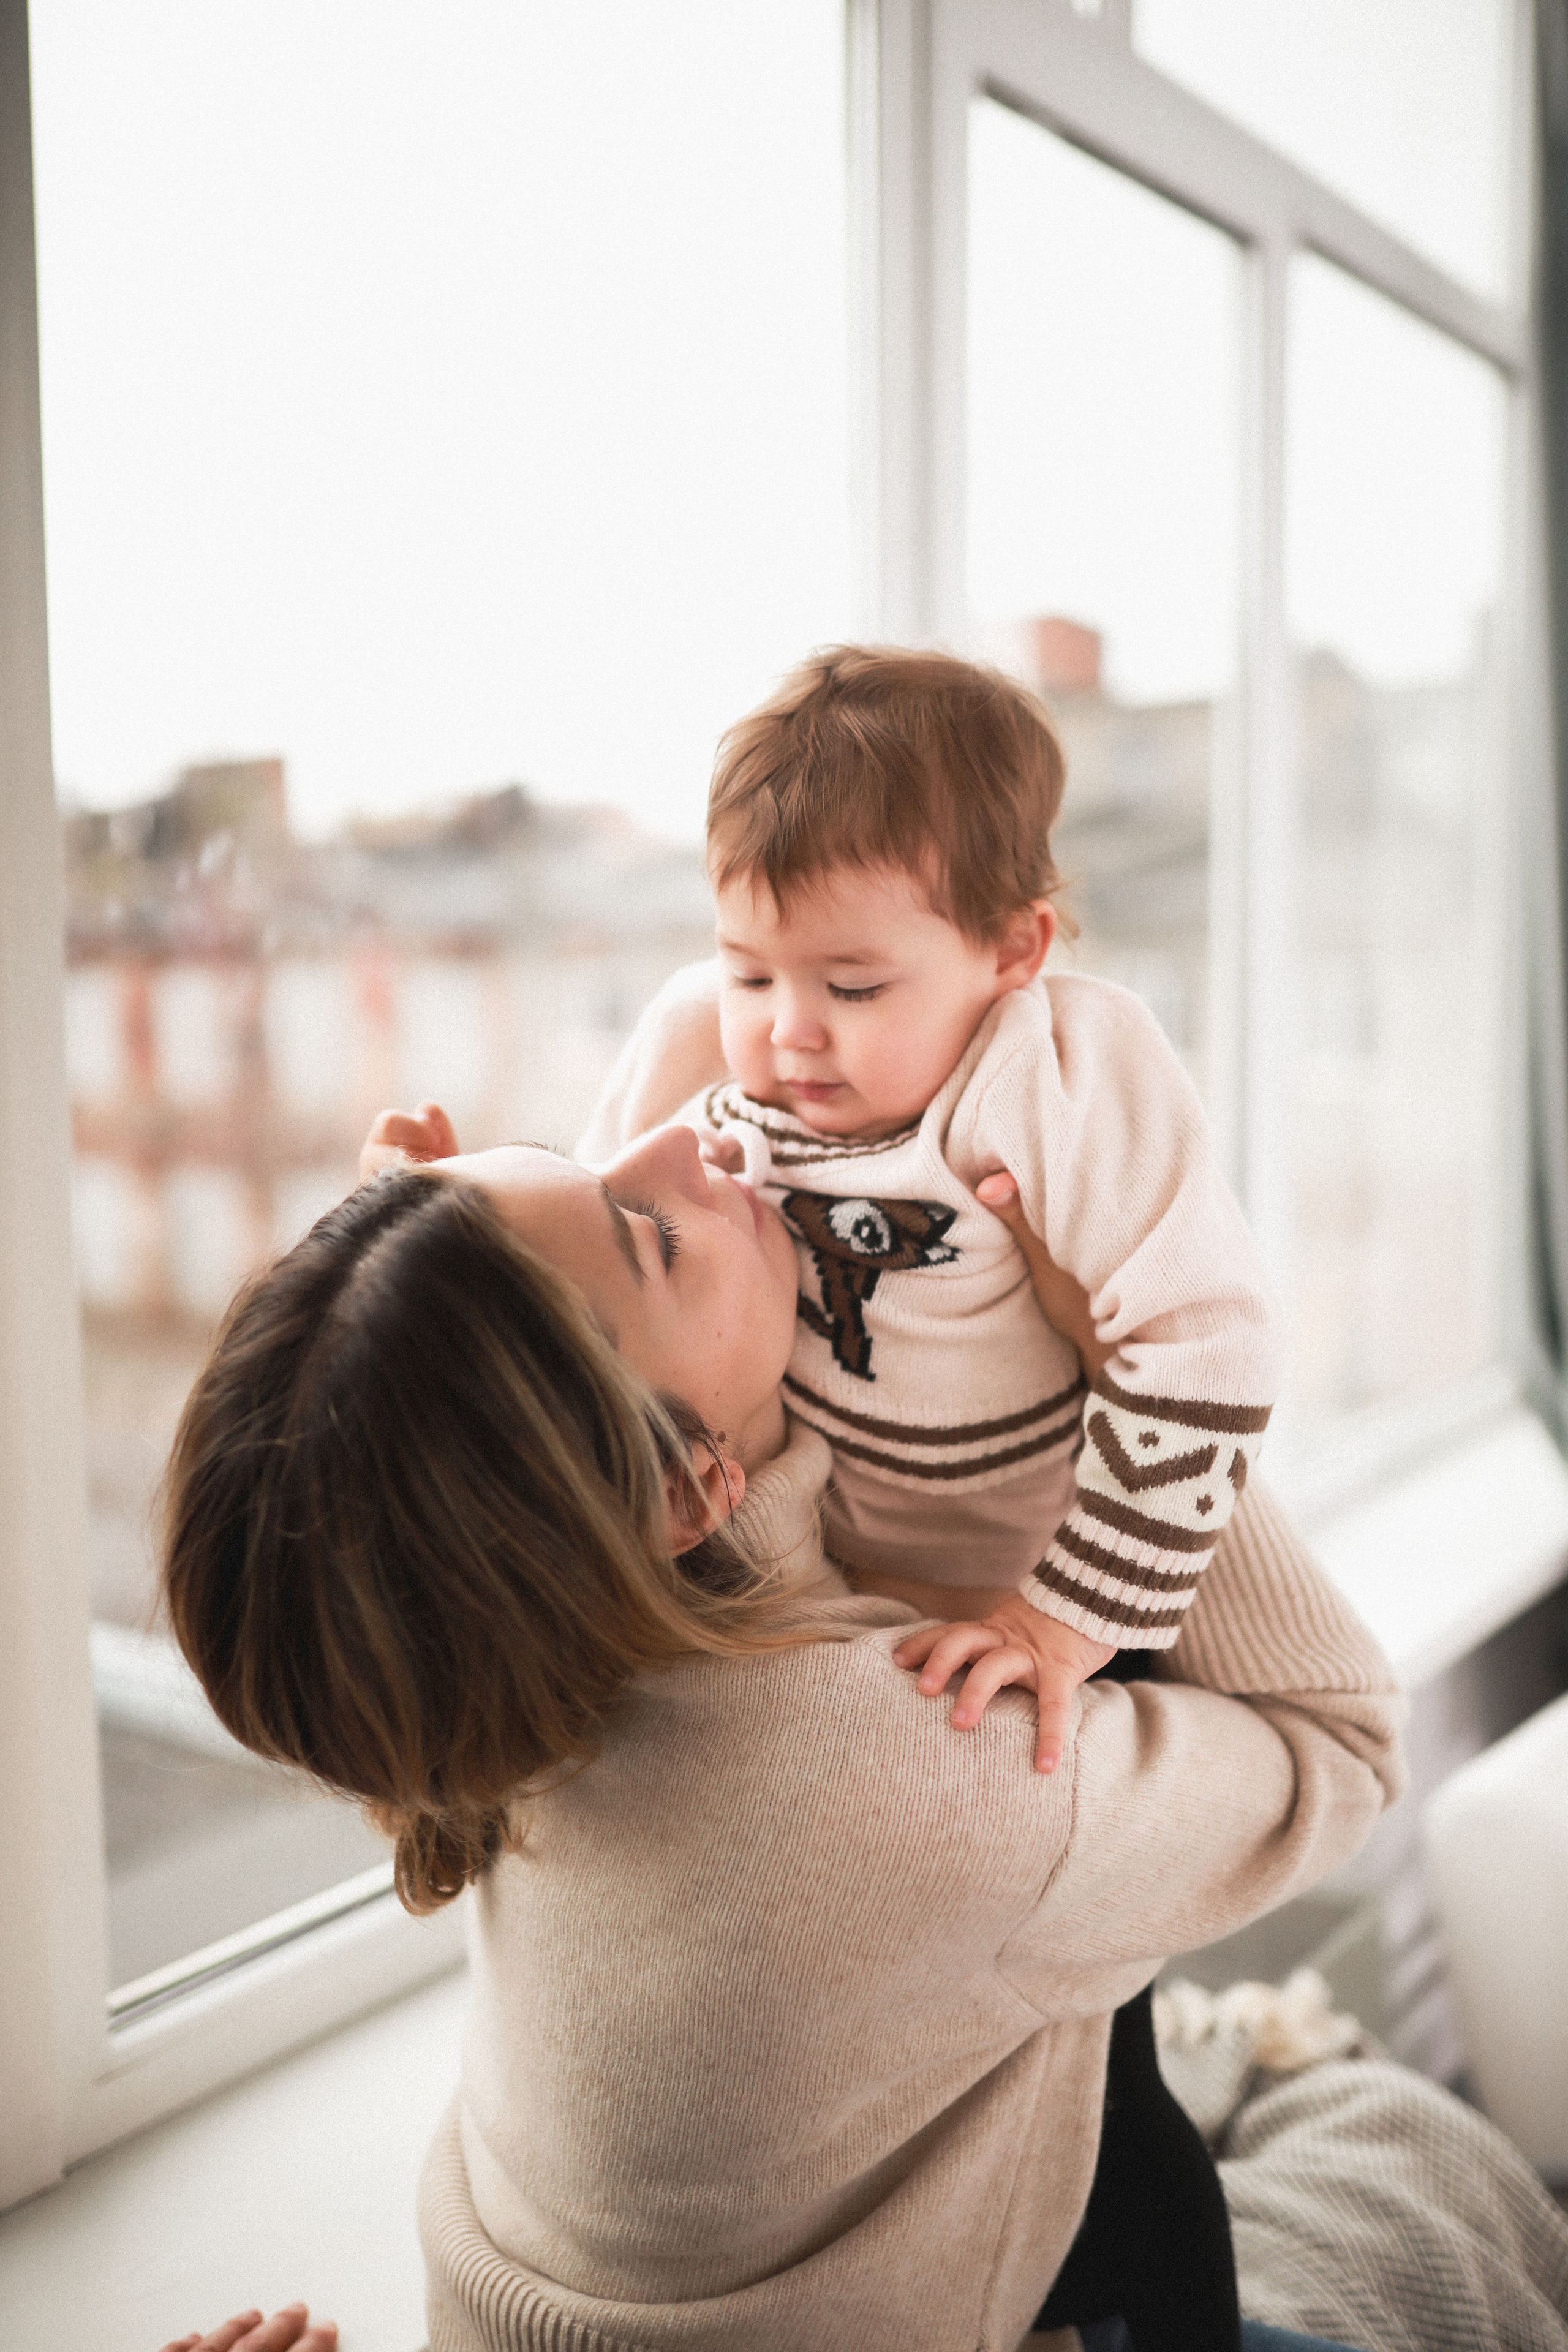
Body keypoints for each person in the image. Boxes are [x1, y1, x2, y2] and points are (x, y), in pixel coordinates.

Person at [161, 1116, 1402, 2352]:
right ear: (689, 1486)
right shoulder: (914, 1771)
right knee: (1427, 2198)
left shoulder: (483, 1679)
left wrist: (419, 1283)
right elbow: (1336, 1745)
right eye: (651, 1238)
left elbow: (444, 1464)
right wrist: (1120, 1400)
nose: (673, 1140)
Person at [584, 645, 1284, 1777]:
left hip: (1041, 1614)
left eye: (852, 987)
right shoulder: (692, 1038)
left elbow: (1209, 1339)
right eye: (750, 976)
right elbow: (585, 1250)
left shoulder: (1048, 1072)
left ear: (1013, 949)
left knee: (1085, 1931)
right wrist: (420, 1202)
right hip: (810, 1598)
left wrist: (1072, 1617)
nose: (789, 1029)